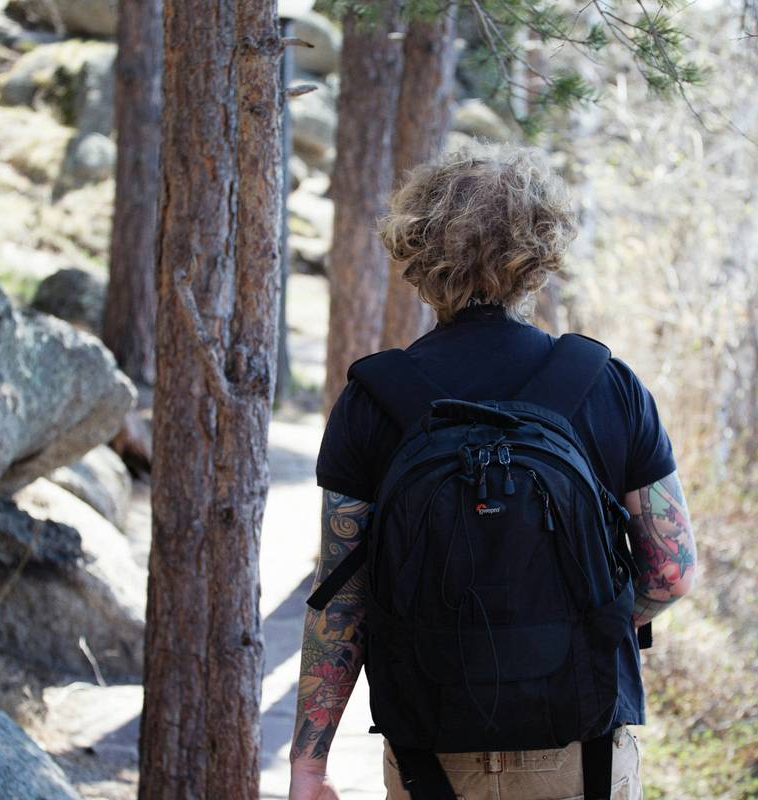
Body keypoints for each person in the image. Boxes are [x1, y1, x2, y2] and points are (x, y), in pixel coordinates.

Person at [288, 141, 697, 800]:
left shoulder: (373, 399)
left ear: (417, 251)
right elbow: (671, 570)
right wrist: (586, 623)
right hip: (580, 747)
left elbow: (341, 599)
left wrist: (309, 764)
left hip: (433, 751)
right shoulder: (606, 385)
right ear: (540, 252)